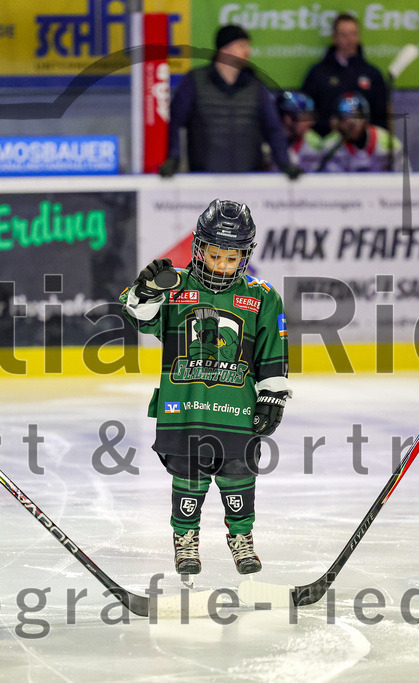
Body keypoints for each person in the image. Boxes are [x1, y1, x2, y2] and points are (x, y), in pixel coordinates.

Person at [120, 200, 290, 576]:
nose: (223, 266)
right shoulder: (174, 285)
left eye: (232, 259)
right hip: (186, 408)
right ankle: (186, 542)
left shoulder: (262, 296)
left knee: (239, 474)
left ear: (245, 256)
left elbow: (271, 350)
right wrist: (146, 289)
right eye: (216, 256)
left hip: (237, 407)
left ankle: (242, 538)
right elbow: (138, 316)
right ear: (199, 249)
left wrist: (272, 396)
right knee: (189, 476)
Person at [159, 25, 299, 178]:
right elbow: (175, 123)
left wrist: (285, 164)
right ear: (224, 50)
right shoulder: (194, 81)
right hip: (203, 180)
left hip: (249, 178)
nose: (248, 51)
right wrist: (173, 158)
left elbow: (273, 129)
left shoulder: (256, 86)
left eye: (248, 46)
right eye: (241, 45)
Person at [302, 13, 388, 136]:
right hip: (326, 143)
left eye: (353, 34)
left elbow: (381, 119)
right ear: (334, 37)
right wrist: (329, 124)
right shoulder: (318, 73)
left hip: (363, 148)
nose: (350, 39)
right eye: (344, 35)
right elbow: (306, 115)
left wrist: (362, 129)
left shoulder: (372, 74)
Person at [320, 92, 399, 172]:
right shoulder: (330, 145)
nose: (350, 123)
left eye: (356, 117)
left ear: (365, 119)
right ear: (337, 122)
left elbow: (403, 174)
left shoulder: (388, 142)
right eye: (344, 118)